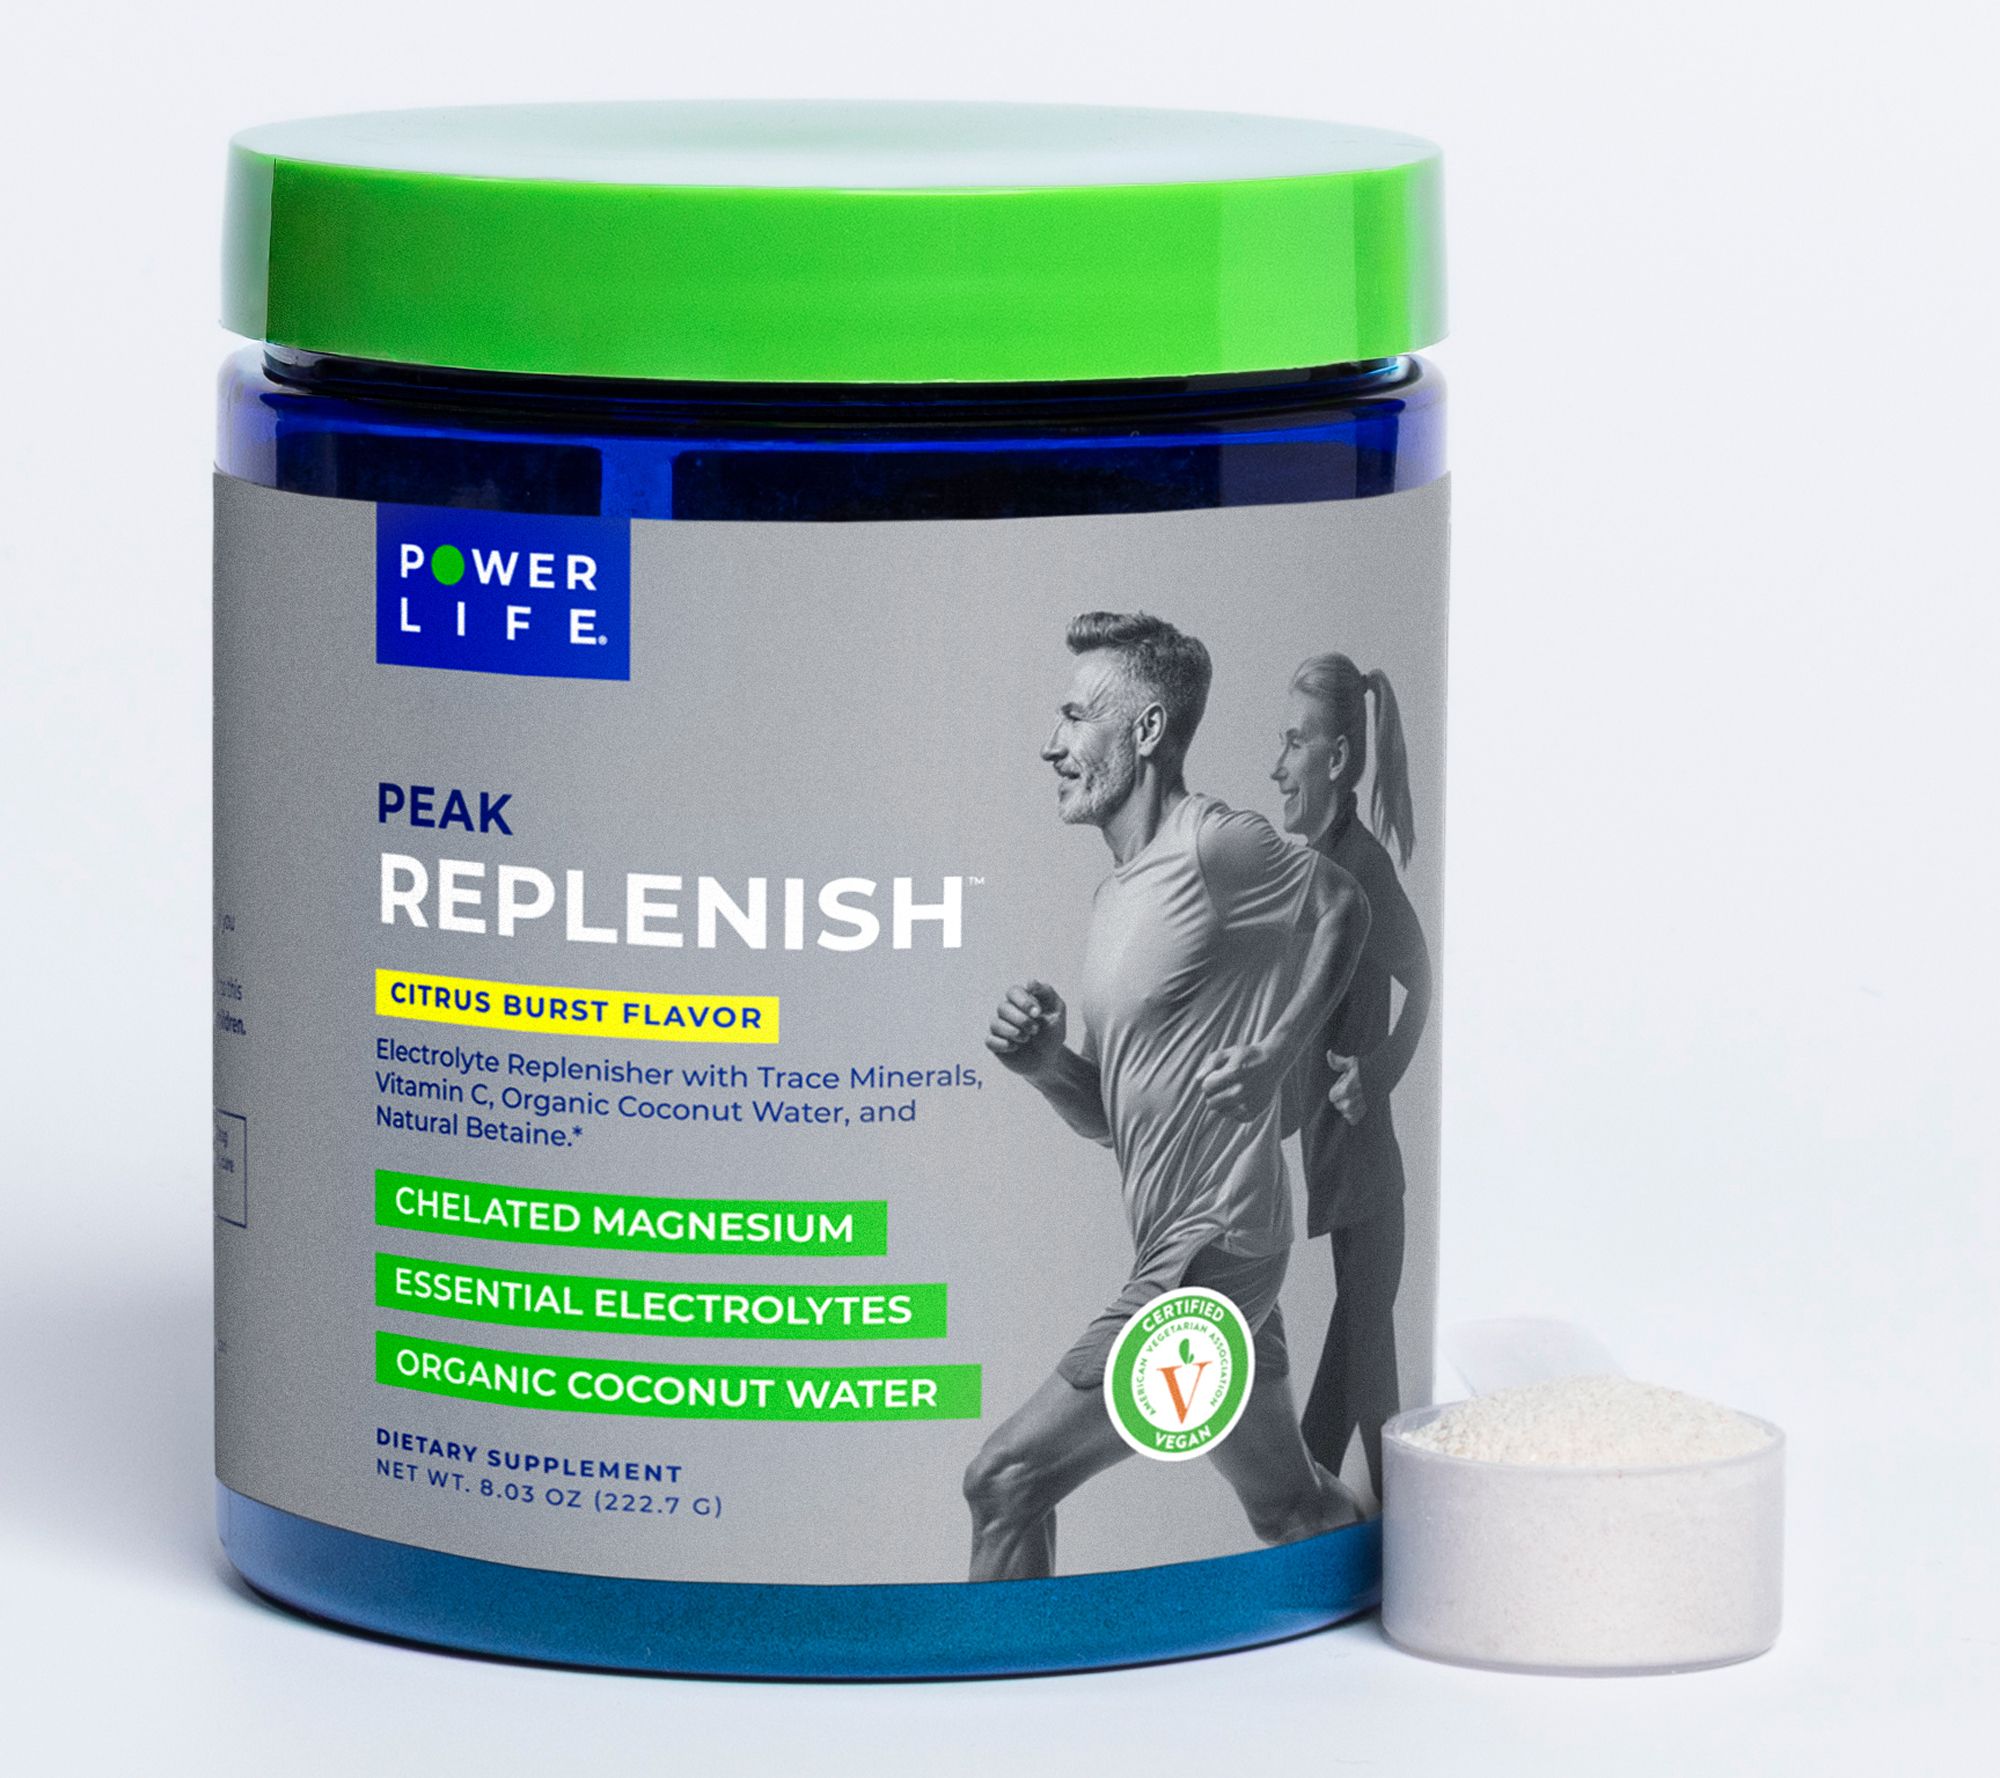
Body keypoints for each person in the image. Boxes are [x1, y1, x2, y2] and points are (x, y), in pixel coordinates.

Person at [965, 610, 1368, 1582]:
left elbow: (1341, 905)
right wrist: (1045, 1063)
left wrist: (1275, 1052)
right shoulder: (1115, 898)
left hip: (1209, 1249)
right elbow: (1112, 1117)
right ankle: (1362, 1576)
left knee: (1006, 1480)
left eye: (1075, 717)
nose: (1051, 744)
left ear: (1146, 730)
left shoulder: (1212, 844)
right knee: (1288, 1507)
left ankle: (1002, 1679)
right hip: (1198, 1242)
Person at [1270, 654, 1432, 1501]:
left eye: (1293, 743)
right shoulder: (1320, 868)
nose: (1277, 767)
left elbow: (1423, 978)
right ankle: (1342, 1530)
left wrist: (1378, 1070)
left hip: (1366, 1176)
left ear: (1335, 760)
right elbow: (1305, 1034)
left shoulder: (1359, 869)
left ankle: (1382, 1533)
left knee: (1366, 1382)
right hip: (1342, 1173)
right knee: (1351, 1387)